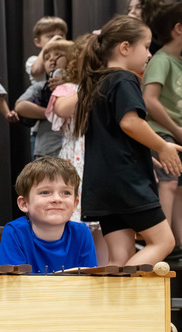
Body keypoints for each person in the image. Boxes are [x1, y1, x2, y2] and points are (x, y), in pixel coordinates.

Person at [74, 15, 182, 266]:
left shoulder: (99, 81)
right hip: (126, 183)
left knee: (119, 257)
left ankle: (108, 304)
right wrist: (161, 146)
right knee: (163, 242)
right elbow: (130, 122)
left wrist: (146, 156)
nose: (149, 54)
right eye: (146, 46)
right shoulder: (124, 79)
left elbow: (113, 136)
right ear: (125, 47)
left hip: (103, 185)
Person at [45, 34, 109, 265]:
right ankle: (70, 270)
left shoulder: (111, 87)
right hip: (76, 162)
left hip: (102, 162)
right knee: (73, 221)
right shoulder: (69, 88)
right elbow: (62, 109)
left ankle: (102, 276)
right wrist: (92, 83)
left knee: (103, 226)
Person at [0, 157, 98, 273]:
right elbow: (12, 284)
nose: (57, 199)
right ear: (24, 204)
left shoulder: (82, 233)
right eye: (45, 192)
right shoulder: (15, 232)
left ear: (75, 203)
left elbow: (89, 283)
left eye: (66, 193)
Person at [142, 2, 182, 252]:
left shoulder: (176, 61)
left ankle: (176, 243)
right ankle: (162, 242)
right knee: (168, 183)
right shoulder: (162, 60)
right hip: (161, 133)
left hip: (173, 133)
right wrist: (176, 130)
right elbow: (150, 101)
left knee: (178, 187)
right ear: (178, 28)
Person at [15, 39, 69, 159]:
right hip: (47, 149)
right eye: (47, 57)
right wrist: (51, 113)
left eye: (58, 55)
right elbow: (20, 106)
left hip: (75, 149)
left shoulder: (80, 85)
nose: (51, 59)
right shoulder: (42, 86)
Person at [26, 16, 68, 83]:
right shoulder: (32, 60)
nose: (57, 39)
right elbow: (36, 71)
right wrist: (49, 46)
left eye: (61, 35)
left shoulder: (68, 57)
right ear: (37, 42)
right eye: (51, 36)